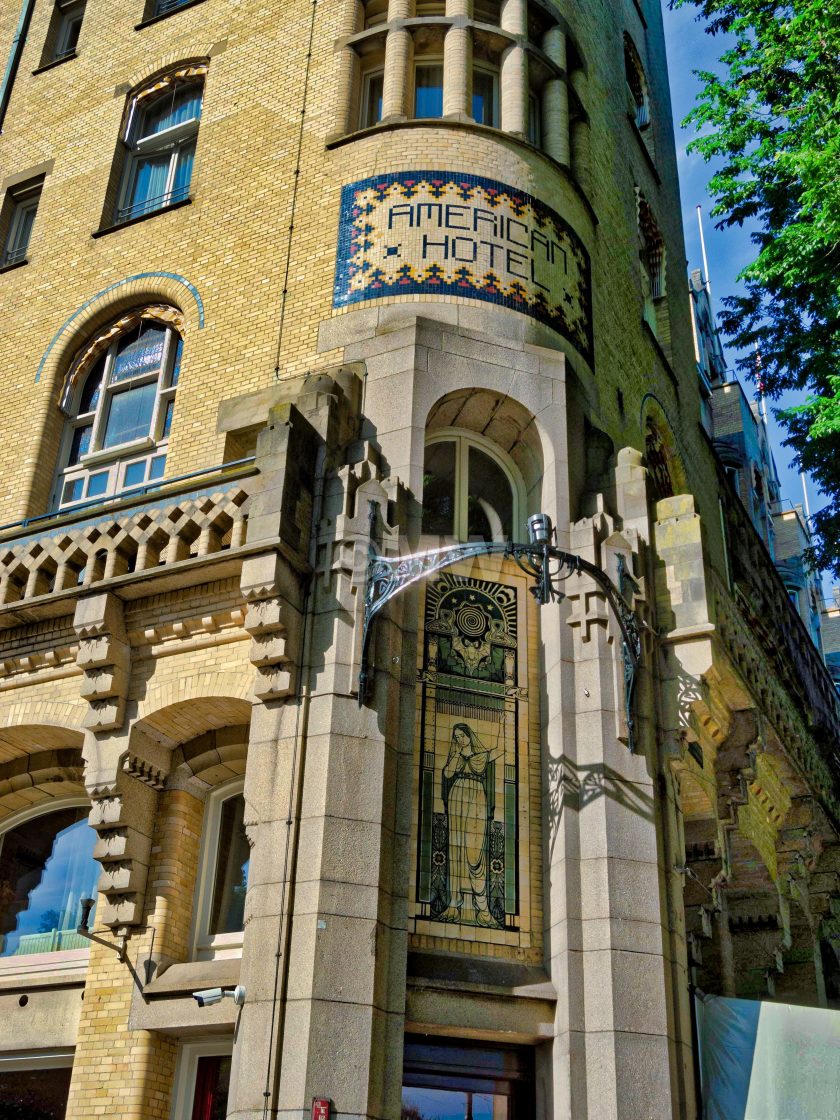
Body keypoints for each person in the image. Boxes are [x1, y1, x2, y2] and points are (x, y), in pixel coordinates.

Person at [439, 722, 504, 927]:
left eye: (462, 736)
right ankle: (453, 905)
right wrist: (457, 754)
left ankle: (483, 909)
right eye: (456, 737)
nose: (459, 739)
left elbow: (501, 750)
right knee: (455, 852)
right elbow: (448, 774)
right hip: (457, 796)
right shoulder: (456, 756)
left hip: (477, 799)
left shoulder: (481, 756)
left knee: (475, 854)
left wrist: (504, 724)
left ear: (469, 735)